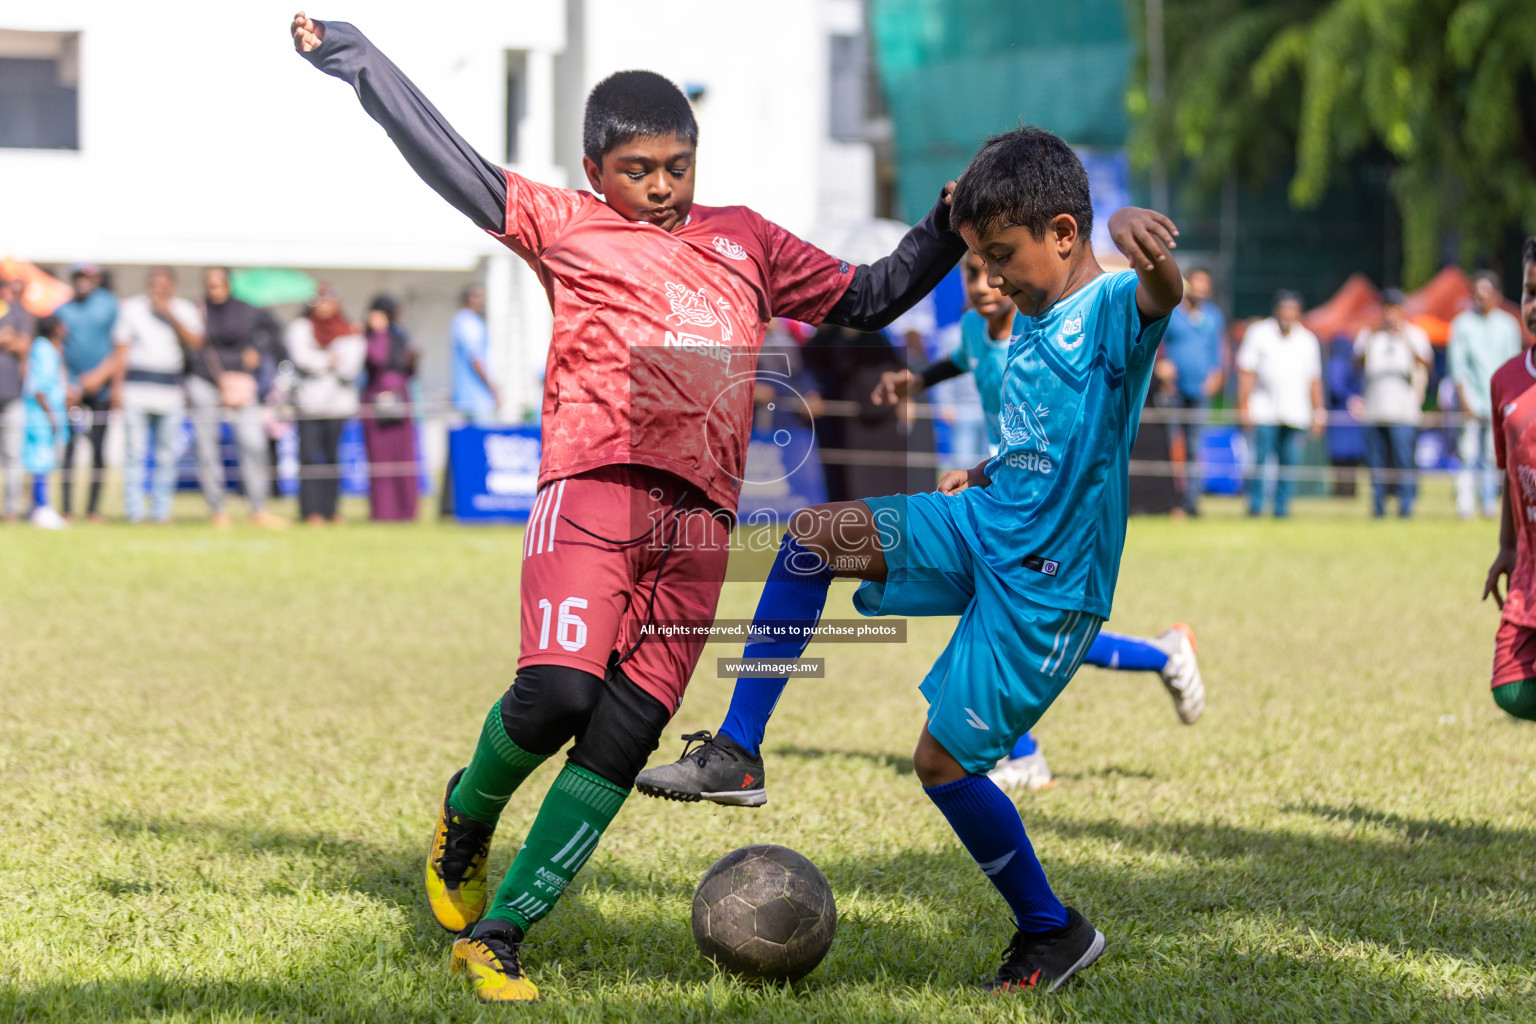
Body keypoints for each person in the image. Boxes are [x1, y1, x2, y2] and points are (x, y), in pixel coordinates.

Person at [292, 12, 964, 1002]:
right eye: (639, 168)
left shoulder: (747, 241)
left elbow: (869, 297)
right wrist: (352, 56)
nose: (660, 186)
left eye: (677, 166)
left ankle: (500, 934)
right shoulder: (564, 223)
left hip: (699, 529)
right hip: (593, 491)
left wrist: (946, 222)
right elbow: (447, 157)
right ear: (593, 167)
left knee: (622, 733)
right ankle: (465, 815)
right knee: (558, 695)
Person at [646, 127, 1182, 993]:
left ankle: (1053, 931)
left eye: (1003, 256)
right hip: (982, 520)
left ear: (1065, 231)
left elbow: (1163, 293)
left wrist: (1141, 242)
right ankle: (739, 752)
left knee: (941, 764)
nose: (993, 278)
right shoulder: (1024, 323)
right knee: (809, 539)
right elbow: (1046, 436)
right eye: (980, 259)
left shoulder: (1114, 305)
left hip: (1046, 583)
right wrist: (992, 471)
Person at [648, 249, 1203, 799]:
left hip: (1051, 514)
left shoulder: (1053, 326)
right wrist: (915, 385)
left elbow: (1136, 327)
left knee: (1025, 627)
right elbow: (958, 360)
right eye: (971, 268)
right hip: (994, 495)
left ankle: (1122, 684)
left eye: (999, 260)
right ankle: (1109, 692)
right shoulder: (971, 329)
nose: (985, 281)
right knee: (978, 612)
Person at [1480, 237, 1536, 723]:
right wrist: (1507, 546)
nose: (1534, 306)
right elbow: (1510, 474)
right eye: (1529, 292)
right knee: (1510, 688)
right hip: (1529, 567)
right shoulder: (1506, 380)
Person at [194, 268, 283, 527]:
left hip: (240, 382)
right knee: (207, 449)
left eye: (219, 284)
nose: (215, 290)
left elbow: (275, 332)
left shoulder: (246, 309)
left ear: (229, 285)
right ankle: (217, 510)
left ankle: (258, 508)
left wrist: (258, 350)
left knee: (253, 443)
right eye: (210, 285)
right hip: (205, 380)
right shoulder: (199, 310)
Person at [114, 267, 204, 524]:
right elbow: (122, 350)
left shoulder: (185, 310)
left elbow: (196, 343)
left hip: (170, 391)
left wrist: (169, 315)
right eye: (154, 284)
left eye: (163, 285)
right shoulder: (132, 309)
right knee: (135, 453)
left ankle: (161, 510)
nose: (158, 290)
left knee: (166, 455)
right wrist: (117, 389)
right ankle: (135, 511)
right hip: (136, 389)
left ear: (173, 287)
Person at [1236, 290, 1324, 518]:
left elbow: (1314, 379)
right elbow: (1246, 372)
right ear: (1276, 309)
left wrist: (1319, 411)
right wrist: (1244, 406)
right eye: (1284, 308)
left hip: (1296, 413)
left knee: (1289, 464)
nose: (1288, 314)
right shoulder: (1258, 333)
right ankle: (1255, 507)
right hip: (1263, 410)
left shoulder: (1307, 339)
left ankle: (1281, 509)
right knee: (1260, 462)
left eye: (1293, 309)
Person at [286, 285, 364, 526]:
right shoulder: (301, 328)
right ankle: (311, 511)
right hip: (309, 404)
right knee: (309, 458)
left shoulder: (349, 330)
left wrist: (321, 359)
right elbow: (302, 359)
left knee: (332, 458)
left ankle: (331, 510)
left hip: (338, 406)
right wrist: (329, 359)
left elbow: (350, 366)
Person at [1449, 270, 1523, 520]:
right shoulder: (1462, 324)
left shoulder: (1508, 325)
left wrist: (1509, 402)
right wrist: (1464, 400)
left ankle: (1490, 503)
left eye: (1485, 294)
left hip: (1499, 402)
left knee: (1494, 456)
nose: (1480, 299)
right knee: (1467, 453)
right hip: (1471, 400)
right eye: (1476, 295)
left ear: (1497, 296)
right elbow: (1457, 368)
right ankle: (1465, 503)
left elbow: (1513, 367)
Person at [1353, 288, 1432, 518]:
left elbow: (1426, 363)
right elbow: (1356, 363)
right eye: (1387, 309)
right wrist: (1372, 335)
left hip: (1404, 412)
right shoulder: (1370, 336)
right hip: (1375, 410)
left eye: (1395, 309)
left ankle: (1406, 507)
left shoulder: (1414, 334)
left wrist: (1403, 336)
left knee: (1404, 461)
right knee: (1376, 463)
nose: (1390, 314)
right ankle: (1378, 507)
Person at [1156, 267, 1225, 515]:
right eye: (1196, 284)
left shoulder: (1214, 317)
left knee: (1196, 447)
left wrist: (1217, 375)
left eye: (1204, 284)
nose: (1200, 289)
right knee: (1173, 446)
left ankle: (1192, 501)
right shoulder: (1172, 313)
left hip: (1200, 391)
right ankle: (1172, 499)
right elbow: (1156, 343)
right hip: (1173, 390)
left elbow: (1218, 350)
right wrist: (1161, 367)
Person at [54, 264, 120, 522]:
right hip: (72, 393)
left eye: (87, 276)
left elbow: (120, 348)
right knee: (69, 450)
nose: (82, 281)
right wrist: (67, 385)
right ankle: (67, 509)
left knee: (98, 451)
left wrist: (101, 379)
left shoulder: (109, 305)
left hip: (100, 390)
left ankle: (93, 509)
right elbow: (57, 347)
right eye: (78, 276)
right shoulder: (63, 309)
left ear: (96, 278)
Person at [361, 293, 419, 522]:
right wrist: (379, 332)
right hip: (377, 401)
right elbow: (378, 359)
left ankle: (406, 512)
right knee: (381, 458)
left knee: (403, 456)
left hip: (401, 398)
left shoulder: (400, 336)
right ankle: (384, 512)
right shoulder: (370, 337)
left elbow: (406, 368)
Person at [441, 283, 494, 516]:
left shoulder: (462, 321)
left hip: (470, 396)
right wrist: (492, 388)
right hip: (474, 397)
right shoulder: (467, 322)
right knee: (474, 453)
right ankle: (469, 502)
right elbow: (475, 359)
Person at [23, 316, 68, 529]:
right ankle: (42, 507)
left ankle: (38, 507)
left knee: (45, 461)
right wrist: (51, 415)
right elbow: (39, 387)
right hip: (41, 414)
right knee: (40, 460)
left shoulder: (48, 348)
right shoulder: (43, 349)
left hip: (48, 412)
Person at [0, 276, 31, 522]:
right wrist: (5, 338)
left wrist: (12, 340)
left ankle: (11, 510)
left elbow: (24, 344)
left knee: (13, 454)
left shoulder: (17, 312)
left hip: (12, 394)